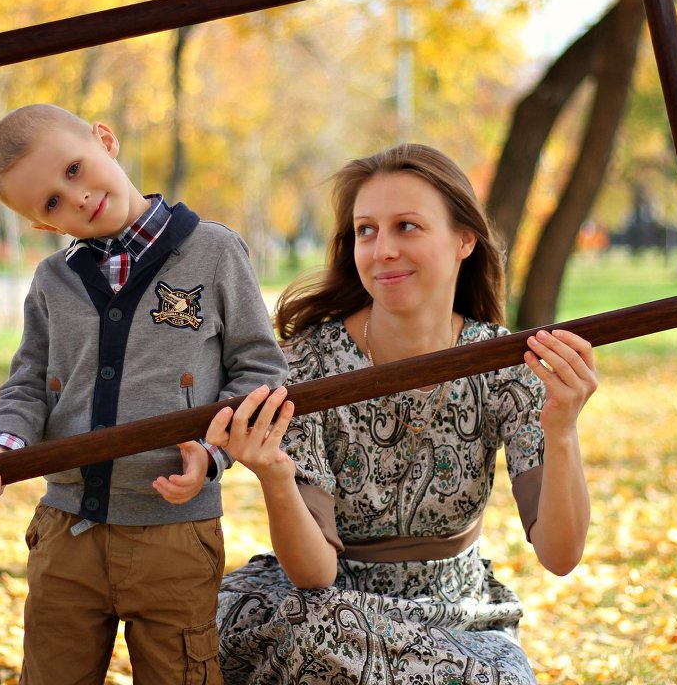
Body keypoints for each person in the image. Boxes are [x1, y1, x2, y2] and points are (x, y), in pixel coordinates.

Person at [205, 142, 598, 684]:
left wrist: (562, 430)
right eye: (366, 230)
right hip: (322, 607)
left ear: (465, 239)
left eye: (407, 226)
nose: (382, 249)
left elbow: (559, 554)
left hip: (453, 615)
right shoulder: (308, 365)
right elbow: (313, 575)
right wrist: (275, 474)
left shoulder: (507, 365)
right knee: (315, 636)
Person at [0, 103, 288, 684]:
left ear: (105, 140)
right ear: (43, 226)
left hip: (173, 532)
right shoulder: (53, 281)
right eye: (51, 202)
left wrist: (212, 455)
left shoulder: (213, 251)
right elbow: (28, 382)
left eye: (75, 169)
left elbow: (260, 371)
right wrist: (3, 449)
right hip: (66, 532)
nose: (75, 197)